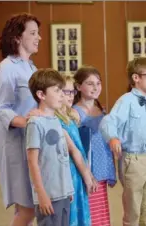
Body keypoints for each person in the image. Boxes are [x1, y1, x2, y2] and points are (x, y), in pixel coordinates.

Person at [99, 57, 146, 226]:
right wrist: (113, 138)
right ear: (136, 78)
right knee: (133, 209)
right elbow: (108, 121)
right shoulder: (126, 101)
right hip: (133, 161)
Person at [0, 13, 41, 226]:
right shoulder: (5, 69)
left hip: (31, 142)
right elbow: (1, 109)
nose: (39, 38)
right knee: (27, 208)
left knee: (29, 207)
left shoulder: (32, 68)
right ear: (17, 38)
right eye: (33, 33)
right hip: (15, 143)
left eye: (38, 33)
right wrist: (28, 122)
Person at [25, 69, 74, 226]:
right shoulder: (35, 123)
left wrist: (68, 188)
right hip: (49, 196)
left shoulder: (55, 120)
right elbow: (32, 162)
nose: (62, 95)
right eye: (57, 90)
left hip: (63, 193)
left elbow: (63, 156)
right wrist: (41, 194)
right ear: (41, 95)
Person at [73, 66, 117, 226]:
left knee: (102, 212)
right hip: (88, 170)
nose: (95, 87)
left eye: (98, 83)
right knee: (89, 213)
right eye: (90, 83)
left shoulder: (101, 109)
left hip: (102, 168)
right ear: (78, 86)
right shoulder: (75, 112)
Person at [55, 75, 97, 226]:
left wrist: (88, 173)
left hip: (79, 170)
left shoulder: (70, 117)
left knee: (82, 212)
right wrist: (87, 176)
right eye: (66, 92)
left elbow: (80, 148)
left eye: (72, 92)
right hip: (70, 172)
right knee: (72, 215)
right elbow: (73, 151)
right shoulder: (56, 120)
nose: (71, 96)